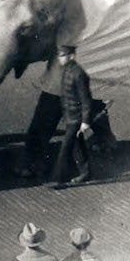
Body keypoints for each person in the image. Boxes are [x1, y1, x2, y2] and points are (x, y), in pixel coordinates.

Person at [48, 43, 93, 188]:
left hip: (76, 118)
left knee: (66, 147)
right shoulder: (67, 70)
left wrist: (85, 121)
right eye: (59, 56)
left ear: (71, 56)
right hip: (70, 115)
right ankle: (85, 172)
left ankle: (58, 179)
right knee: (76, 145)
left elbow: (86, 99)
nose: (59, 58)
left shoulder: (79, 74)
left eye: (62, 55)